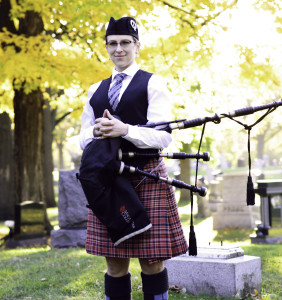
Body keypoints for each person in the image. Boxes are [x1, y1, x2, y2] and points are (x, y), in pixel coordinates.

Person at [79, 16, 188, 300]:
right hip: (107, 181)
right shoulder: (95, 90)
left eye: (125, 42)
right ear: (106, 47)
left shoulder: (153, 84)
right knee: (114, 264)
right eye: (112, 43)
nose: (119, 49)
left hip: (146, 175)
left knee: (152, 261)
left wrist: (124, 129)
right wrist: (95, 130)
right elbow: (81, 138)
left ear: (137, 46)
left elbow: (164, 137)